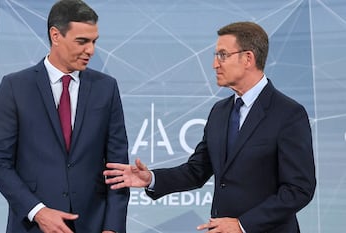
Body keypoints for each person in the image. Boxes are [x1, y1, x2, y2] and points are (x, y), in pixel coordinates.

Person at [104, 21, 316, 233]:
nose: (215, 64)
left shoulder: (288, 114)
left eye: (222, 55)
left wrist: (243, 225)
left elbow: (299, 189)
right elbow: (197, 170)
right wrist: (151, 178)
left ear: (248, 58)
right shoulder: (220, 112)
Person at [0, 0, 129, 232]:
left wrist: (112, 227)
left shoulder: (106, 88)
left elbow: (117, 168)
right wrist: (38, 211)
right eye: (82, 41)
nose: (91, 50)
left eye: (94, 42)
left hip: (93, 225)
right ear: (55, 35)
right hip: (32, 226)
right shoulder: (15, 87)